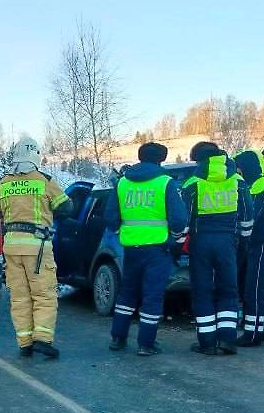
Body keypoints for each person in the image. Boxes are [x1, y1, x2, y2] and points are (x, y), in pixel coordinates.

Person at [0, 136, 73, 358]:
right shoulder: (44, 181)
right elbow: (66, 207)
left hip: (12, 247)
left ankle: (24, 341)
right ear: (36, 156)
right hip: (38, 248)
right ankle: (42, 338)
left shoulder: (3, 183)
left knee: (19, 296)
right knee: (43, 294)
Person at [105, 142, 188, 356]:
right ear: (161, 159)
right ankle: (146, 343)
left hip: (131, 248)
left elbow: (111, 217)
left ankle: (118, 337)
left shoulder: (122, 183)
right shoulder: (166, 183)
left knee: (127, 292)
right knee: (152, 295)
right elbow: (179, 220)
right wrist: (175, 239)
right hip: (157, 249)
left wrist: (119, 231)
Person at [182, 142, 252, 355]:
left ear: (200, 160)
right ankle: (228, 340)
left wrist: (179, 244)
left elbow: (184, 219)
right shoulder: (237, 180)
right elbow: (248, 214)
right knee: (229, 290)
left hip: (200, 242)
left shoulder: (192, 183)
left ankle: (207, 343)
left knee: (202, 290)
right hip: (228, 242)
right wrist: (243, 241)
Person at [234, 150, 264, 346]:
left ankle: (252, 334)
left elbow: (250, 220)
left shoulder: (257, 189)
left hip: (260, 244)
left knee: (253, 289)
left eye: (239, 168)